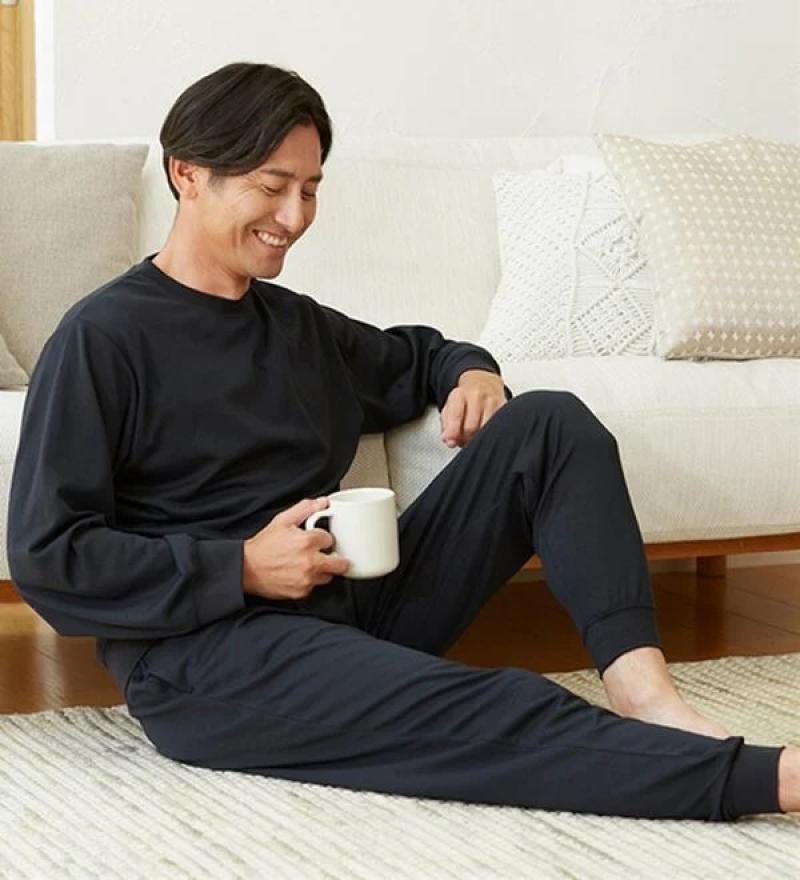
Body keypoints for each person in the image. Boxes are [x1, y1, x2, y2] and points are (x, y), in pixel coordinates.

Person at [7, 61, 798, 821]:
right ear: (187, 172)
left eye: (310, 189)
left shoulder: (293, 324)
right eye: (272, 187)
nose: (294, 218)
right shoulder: (102, 339)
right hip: (208, 656)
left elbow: (416, 356)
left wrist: (473, 373)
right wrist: (239, 565)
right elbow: (49, 555)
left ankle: (646, 695)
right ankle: (766, 779)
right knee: (489, 704)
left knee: (549, 424)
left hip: (351, 604)